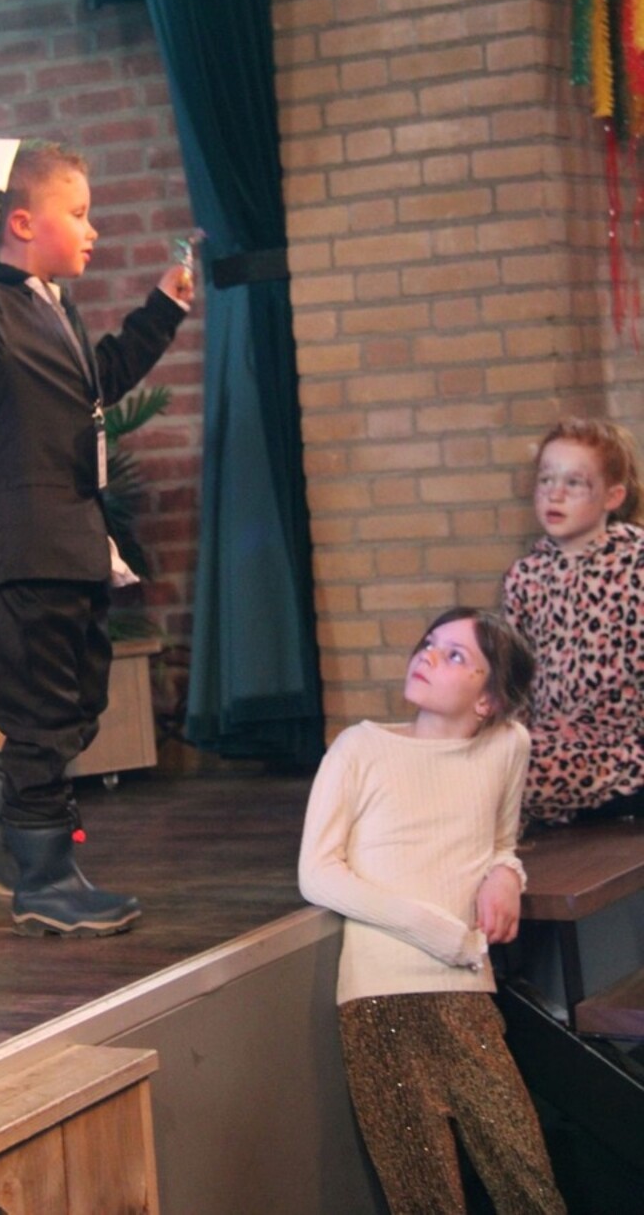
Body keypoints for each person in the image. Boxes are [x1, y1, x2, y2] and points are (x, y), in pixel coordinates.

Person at [0, 137, 192, 938]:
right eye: (78, 213)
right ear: (21, 223)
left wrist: (162, 309)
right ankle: (44, 879)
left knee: (79, 703)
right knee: (40, 712)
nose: (92, 229)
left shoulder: (52, 305)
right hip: (27, 540)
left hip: (73, 537)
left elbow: (92, 384)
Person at [298, 608, 566, 1215]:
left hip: (467, 1000)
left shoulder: (508, 745)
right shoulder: (360, 747)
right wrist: (440, 934)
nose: (427, 656)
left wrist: (507, 875)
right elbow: (317, 873)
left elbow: (501, 842)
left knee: (531, 1188)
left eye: (455, 655)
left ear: (488, 699)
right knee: (425, 1201)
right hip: (379, 1003)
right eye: (429, 643)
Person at [501, 417, 644, 827]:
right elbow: (515, 681)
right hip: (548, 742)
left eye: (574, 483)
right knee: (474, 759)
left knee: (507, 779)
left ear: (613, 496)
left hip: (623, 747)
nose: (555, 493)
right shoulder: (525, 576)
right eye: (546, 480)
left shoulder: (636, 566)